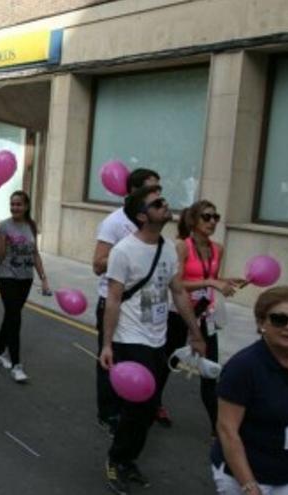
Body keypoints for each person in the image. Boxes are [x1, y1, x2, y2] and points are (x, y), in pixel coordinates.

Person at [98, 185, 206, 495]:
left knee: (147, 409)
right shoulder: (123, 251)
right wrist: (107, 344)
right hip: (130, 339)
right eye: (158, 203)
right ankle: (116, 459)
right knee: (138, 407)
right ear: (143, 216)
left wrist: (195, 333)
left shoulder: (169, 248)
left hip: (159, 339)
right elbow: (114, 299)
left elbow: (178, 292)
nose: (165, 204)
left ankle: (128, 458)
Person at [157, 200, 244, 431]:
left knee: (210, 370)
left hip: (206, 315)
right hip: (181, 313)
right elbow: (177, 284)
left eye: (215, 217)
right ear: (193, 221)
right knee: (169, 362)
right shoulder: (182, 246)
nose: (213, 221)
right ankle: (153, 404)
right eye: (206, 217)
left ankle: (219, 431)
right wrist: (210, 281)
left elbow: (212, 279)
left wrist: (227, 281)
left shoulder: (218, 249)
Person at [92, 168, 161, 432]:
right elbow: (97, 265)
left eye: (159, 190)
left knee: (143, 357)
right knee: (110, 357)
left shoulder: (155, 225)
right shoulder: (114, 222)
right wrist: (127, 251)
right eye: (150, 189)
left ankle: (139, 404)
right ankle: (109, 412)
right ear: (133, 192)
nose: (156, 195)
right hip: (114, 301)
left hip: (145, 305)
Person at [211, 286, 288, 495]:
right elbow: (228, 431)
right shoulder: (243, 367)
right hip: (249, 476)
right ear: (261, 323)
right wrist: (249, 486)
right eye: (279, 319)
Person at [0, 191, 50, 383]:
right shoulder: (4, 226)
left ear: (26, 206)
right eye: (12, 204)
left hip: (26, 278)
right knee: (15, 318)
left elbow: (35, 254)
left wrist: (43, 278)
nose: (15, 207)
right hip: (7, 276)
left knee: (10, 316)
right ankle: (17, 365)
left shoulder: (31, 226)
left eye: (18, 204)